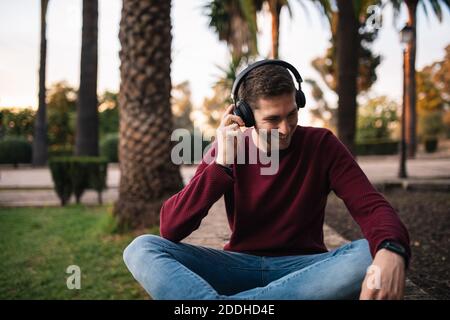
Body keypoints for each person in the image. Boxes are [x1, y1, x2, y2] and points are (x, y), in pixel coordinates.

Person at [123, 60, 411, 300]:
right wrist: (221, 164)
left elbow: (371, 206)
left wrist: (391, 249)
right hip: (238, 267)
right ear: (244, 116)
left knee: (368, 253)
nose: (286, 128)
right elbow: (171, 228)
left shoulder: (322, 144)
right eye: (273, 119)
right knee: (142, 248)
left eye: (292, 114)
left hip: (305, 269)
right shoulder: (225, 149)